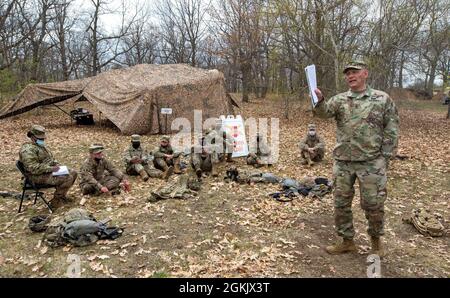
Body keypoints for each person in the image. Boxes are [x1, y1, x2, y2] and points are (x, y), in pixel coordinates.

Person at [313, 60, 399, 257]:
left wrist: (385, 158)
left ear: (365, 74)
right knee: (341, 203)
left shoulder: (381, 99)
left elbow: (392, 129)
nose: (350, 76)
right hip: (343, 162)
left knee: (373, 205)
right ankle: (346, 241)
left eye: (355, 72)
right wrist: (319, 100)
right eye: (348, 73)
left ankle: (376, 243)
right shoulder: (340, 99)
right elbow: (323, 113)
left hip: (371, 163)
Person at [19, 125, 78, 209]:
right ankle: (56, 201)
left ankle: (62, 196)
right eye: (40, 138)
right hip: (35, 176)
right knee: (67, 177)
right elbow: (32, 168)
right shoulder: (27, 150)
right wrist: (51, 169)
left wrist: (56, 165)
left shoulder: (40, 146)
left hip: (46, 171)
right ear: (32, 137)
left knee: (73, 172)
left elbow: (50, 159)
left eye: (43, 138)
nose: (42, 140)